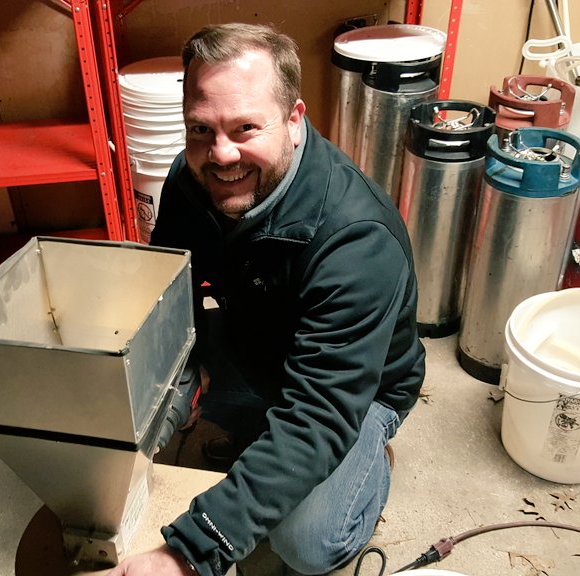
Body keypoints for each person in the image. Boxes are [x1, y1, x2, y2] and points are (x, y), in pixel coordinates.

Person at [109, 23, 426, 576]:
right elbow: (170, 293)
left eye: (245, 127)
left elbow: (318, 413)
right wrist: (166, 395)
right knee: (131, 415)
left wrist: (187, 554)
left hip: (354, 388)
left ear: (294, 120)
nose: (221, 154)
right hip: (257, 340)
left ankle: (369, 458)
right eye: (201, 129)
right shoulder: (191, 178)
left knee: (306, 542)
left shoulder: (356, 239)